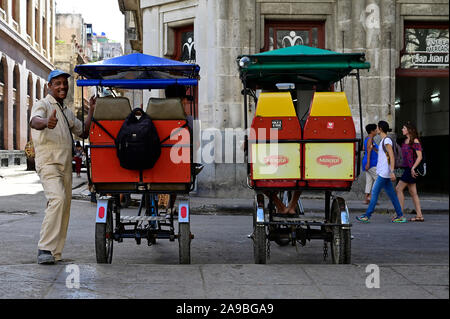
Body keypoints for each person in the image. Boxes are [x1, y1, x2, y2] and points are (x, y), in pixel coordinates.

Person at [30, 69, 96, 264]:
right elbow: (34, 121)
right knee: (57, 199)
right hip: (49, 162)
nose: (62, 86)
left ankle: (55, 253)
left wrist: (91, 109)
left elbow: (83, 131)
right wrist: (46, 122)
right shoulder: (43, 105)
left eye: (64, 83)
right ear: (49, 86)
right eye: (57, 83)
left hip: (65, 164)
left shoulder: (65, 110)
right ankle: (44, 249)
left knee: (64, 207)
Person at [356, 121, 406, 223]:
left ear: (381, 129)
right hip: (383, 172)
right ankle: (400, 215)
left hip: (384, 173)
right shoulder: (383, 141)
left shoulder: (387, 140)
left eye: (378, 127)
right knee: (392, 195)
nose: (377, 129)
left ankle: (367, 215)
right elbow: (383, 154)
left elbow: (391, 156)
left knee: (374, 192)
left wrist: (392, 171)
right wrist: (375, 148)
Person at [395, 122, 424, 222]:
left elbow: (420, 157)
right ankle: (419, 215)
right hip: (407, 168)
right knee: (413, 192)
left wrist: (413, 168)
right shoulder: (406, 140)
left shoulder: (414, 141)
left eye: (404, 128)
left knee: (398, 188)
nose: (402, 130)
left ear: (409, 130)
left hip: (411, 169)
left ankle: (400, 214)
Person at [362, 124, 378, 204]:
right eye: (376, 130)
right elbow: (368, 151)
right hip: (371, 163)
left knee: (369, 180)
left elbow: (364, 148)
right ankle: (370, 196)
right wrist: (368, 163)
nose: (377, 131)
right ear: (372, 131)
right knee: (378, 179)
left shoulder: (367, 138)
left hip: (368, 162)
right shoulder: (370, 139)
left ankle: (366, 200)